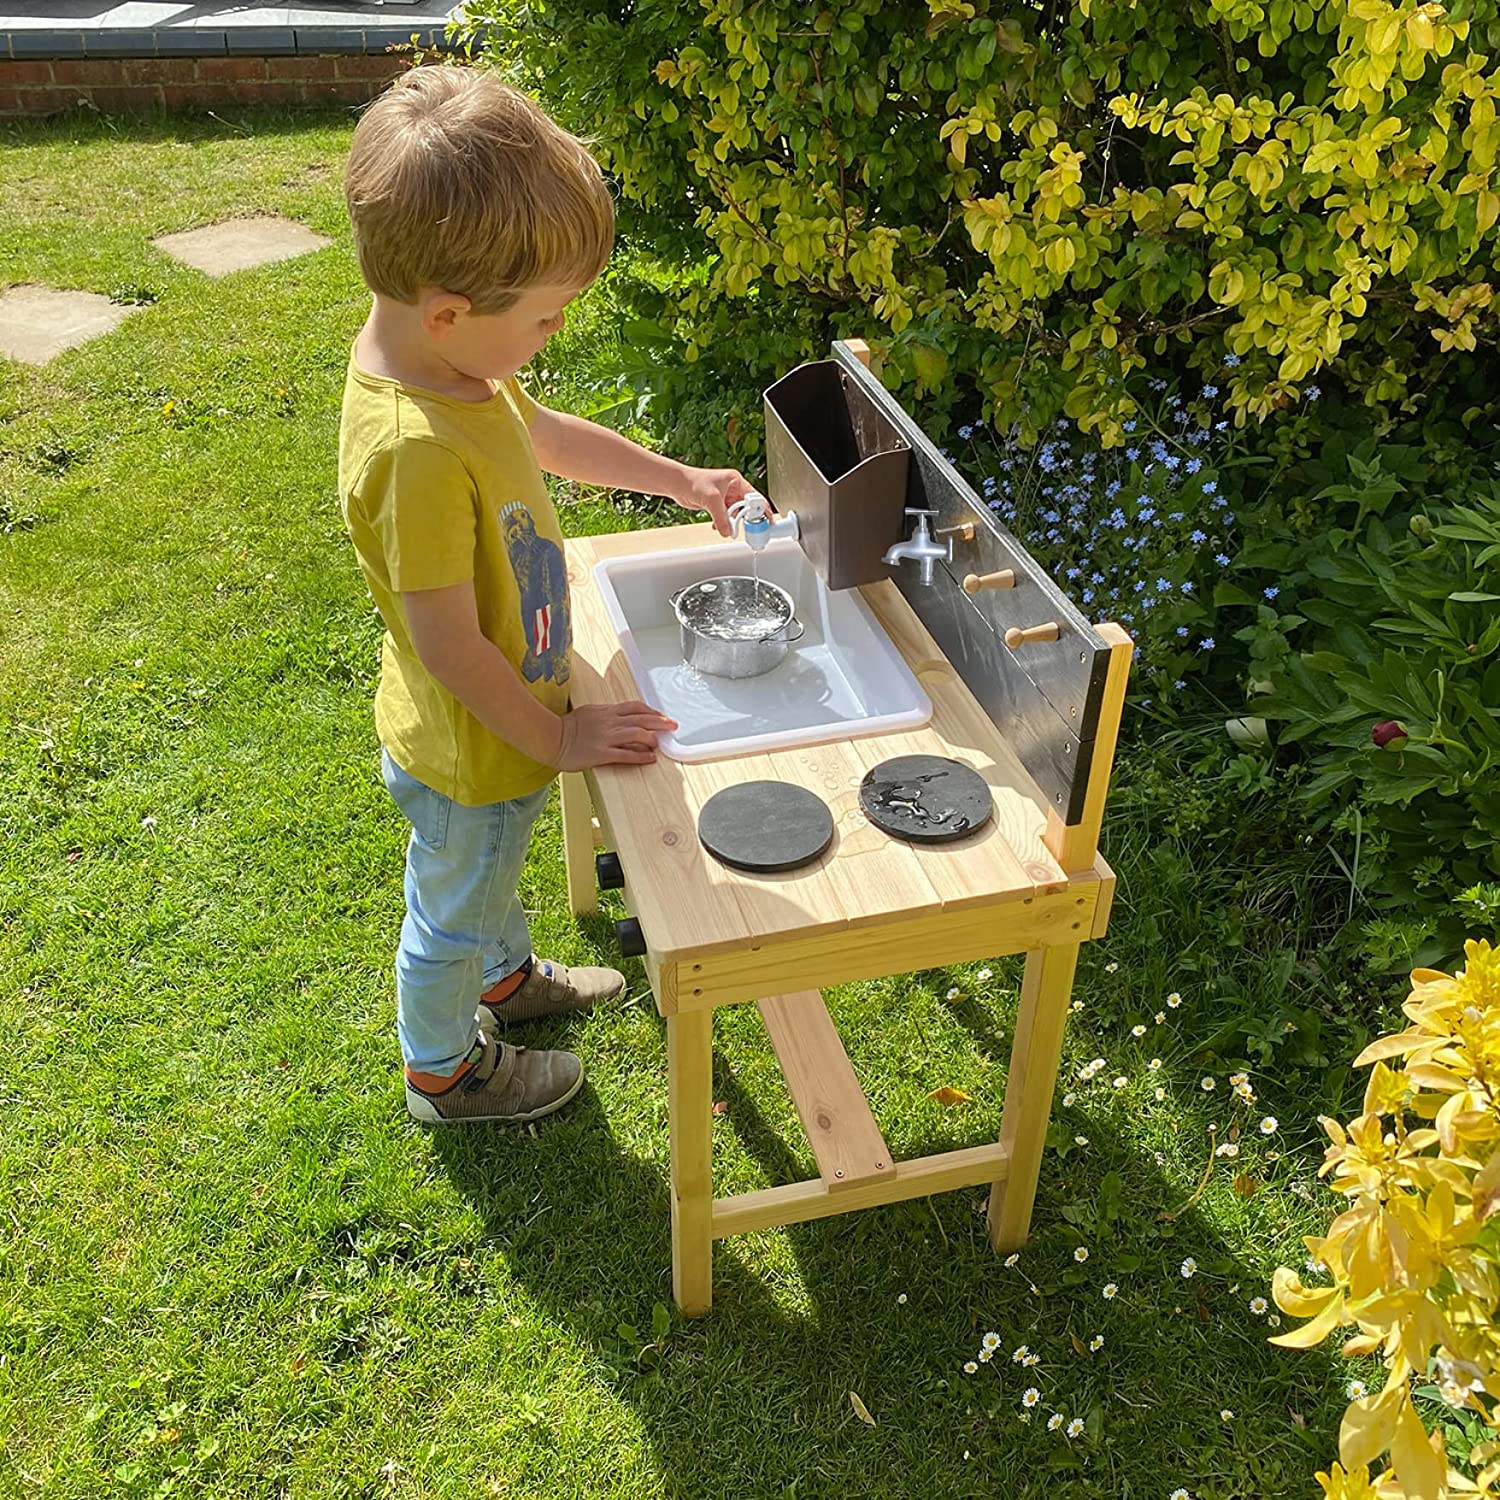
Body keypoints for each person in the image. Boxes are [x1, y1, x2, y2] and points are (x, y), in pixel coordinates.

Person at [338, 64, 753, 1125]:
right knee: (453, 900)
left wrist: (679, 479)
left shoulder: (458, 370)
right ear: (447, 312)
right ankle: (444, 1071)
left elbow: (548, 435)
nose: (555, 334)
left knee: (487, 874)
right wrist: (556, 738)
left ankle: (506, 978)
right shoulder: (416, 448)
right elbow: (448, 645)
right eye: (548, 319)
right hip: (475, 750)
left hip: (501, 729)